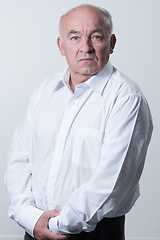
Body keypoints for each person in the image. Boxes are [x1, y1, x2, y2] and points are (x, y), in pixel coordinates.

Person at [5, 4, 153, 240]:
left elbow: (111, 183)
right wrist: (28, 217)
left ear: (111, 43)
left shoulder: (126, 98)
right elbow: (19, 160)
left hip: (95, 233)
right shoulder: (44, 91)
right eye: (74, 37)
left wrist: (56, 225)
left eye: (96, 36)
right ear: (60, 45)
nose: (86, 47)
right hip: (35, 228)